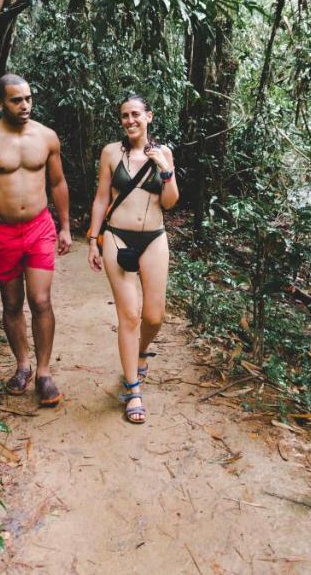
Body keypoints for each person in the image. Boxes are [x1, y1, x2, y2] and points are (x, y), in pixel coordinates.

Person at [0, 74, 71, 407]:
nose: (25, 105)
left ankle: (43, 373)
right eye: (16, 100)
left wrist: (65, 226)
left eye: (28, 98)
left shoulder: (46, 136)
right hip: (2, 231)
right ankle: (22, 365)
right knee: (12, 303)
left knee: (40, 300)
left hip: (39, 227)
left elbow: (57, 183)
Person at [85, 93, 178, 423]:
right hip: (116, 236)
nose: (130, 120)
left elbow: (170, 203)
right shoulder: (111, 152)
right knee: (130, 315)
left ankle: (139, 353)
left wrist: (165, 170)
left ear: (148, 116)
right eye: (124, 115)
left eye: (136, 114)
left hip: (154, 237)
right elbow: (100, 199)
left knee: (154, 317)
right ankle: (133, 389)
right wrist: (93, 239)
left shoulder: (163, 152)